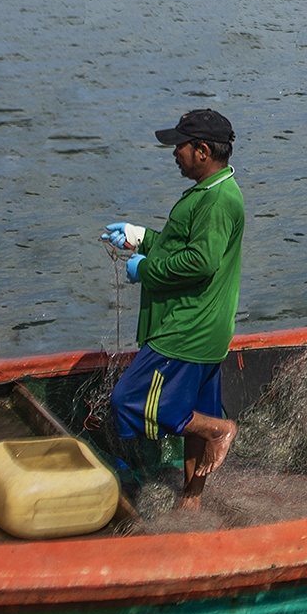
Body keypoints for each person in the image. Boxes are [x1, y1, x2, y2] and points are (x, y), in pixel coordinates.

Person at [104, 108, 244, 510]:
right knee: (194, 417)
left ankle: (221, 429)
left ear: (202, 151)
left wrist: (146, 269)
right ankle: (192, 502)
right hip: (207, 325)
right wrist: (142, 238)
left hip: (187, 328)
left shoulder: (218, 200)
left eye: (180, 146)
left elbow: (200, 262)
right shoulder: (210, 191)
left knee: (131, 400)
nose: (174, 153)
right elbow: (184, 245)